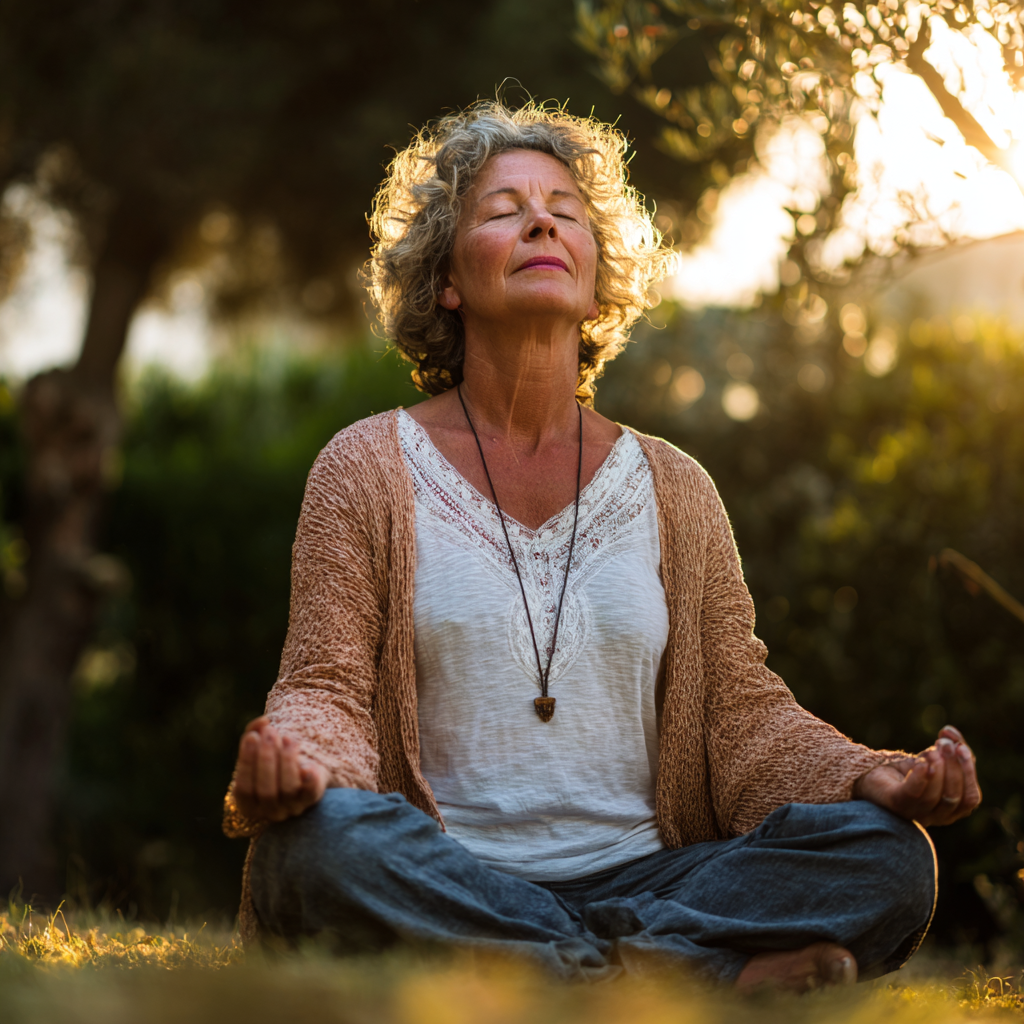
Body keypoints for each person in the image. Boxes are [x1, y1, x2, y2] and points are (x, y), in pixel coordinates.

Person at [222, 101, 981, 991]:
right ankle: (686, 980)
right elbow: (327, 685)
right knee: (314, 851)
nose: (541, 218)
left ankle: (553, 975)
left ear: (595, 275)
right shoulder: (366, 467)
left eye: (565, 209)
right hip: (450, 868)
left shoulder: (675, 488)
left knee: (890, 856)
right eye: (503, 209)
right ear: (447, 281)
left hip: (654, 878)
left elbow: (741, 714)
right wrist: (302, 761)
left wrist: (868, 778)